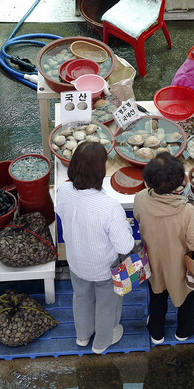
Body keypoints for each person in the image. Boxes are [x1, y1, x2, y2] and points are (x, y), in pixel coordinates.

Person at [56, 142, 134, 354]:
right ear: (100, 170)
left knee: (81, 298)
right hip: (104, 269)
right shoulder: (109, 207)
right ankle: (102, 342)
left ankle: (82, 336)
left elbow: (63, 213)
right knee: (107, 304)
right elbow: (125, 245)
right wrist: (126, 226)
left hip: (76, 262)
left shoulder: (63, 191)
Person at [135, 152, 194, 344]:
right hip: (180, 266)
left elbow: (138, 217)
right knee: (186, 296)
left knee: (156, 293)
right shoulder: (187, 210)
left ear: (148, 182)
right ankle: (185, 330)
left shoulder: (141, 199)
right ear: (180, 183)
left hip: (153, 262)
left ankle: (156, 332)